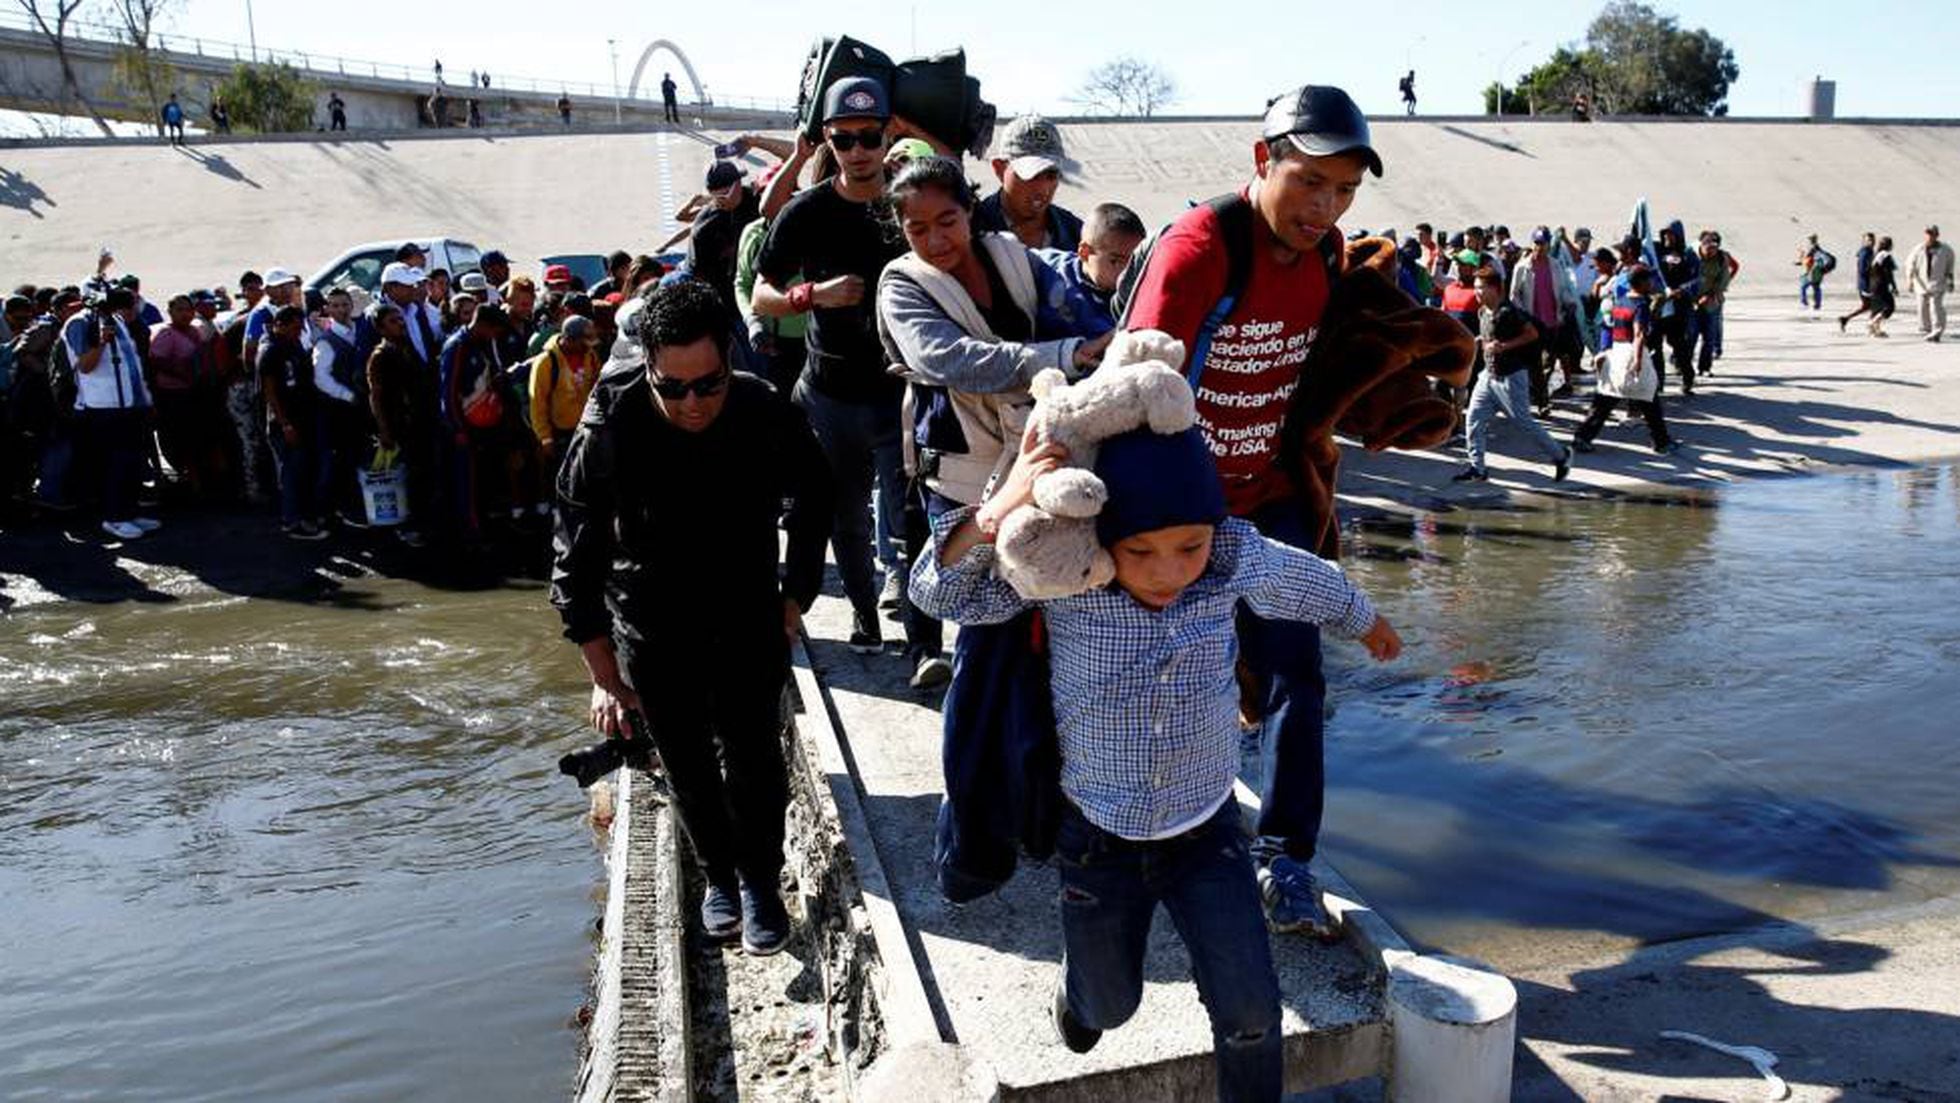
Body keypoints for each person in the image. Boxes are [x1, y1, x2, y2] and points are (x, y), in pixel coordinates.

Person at [911, 423, 1401, 1101]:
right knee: (1109, 1006)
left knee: (1253, 1015)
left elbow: (1300, 576)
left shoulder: (1229, 557)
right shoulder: (1064, 577)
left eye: (1188, 546)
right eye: (1141, 549)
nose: (1169, 570)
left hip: (1209, 833)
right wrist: (1001, 506)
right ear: (1104, 537)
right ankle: (1079, 995)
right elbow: (937, 593)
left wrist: (1363, 616)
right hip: (1098, 840)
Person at [1117, 83, 1379, 937]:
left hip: (1267, 496)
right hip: (1179, 508)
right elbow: (1134, 393)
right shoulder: (1201, 248)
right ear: (1263, 161)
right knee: (1153, 670)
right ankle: (1123, 831)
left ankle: (1285, 861)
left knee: (1299, 674)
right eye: (1309, 181)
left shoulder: (1329, 255)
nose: (1324, 207)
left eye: (1343, 190)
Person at [552, 279, 833, 957]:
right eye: (671, 388)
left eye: (707, 385)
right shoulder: (611, 424)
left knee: (754, 756)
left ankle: (763, 884)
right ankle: (720, 879)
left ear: (728, 360)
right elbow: (573, 548)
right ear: (645, 363)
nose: (692, 404)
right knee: (687, 763)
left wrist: (797, 592)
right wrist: (600, 666)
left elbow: (818, 491)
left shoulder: (763, 407)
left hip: (745, 609)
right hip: (652, 619)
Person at [877, 156, 1115, 692]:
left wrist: (1109, 343)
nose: (935, 240)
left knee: (1045, 605)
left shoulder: (1013, 257)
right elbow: (952, 359)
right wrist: (1067, 355)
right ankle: (974, 760)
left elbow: (1072, 310)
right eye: (917, 228)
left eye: (947, 222)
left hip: (1037, 457)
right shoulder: (902, 286)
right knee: (985, 627)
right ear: (901, 229)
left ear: (969, 212)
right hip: (965, 473)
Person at [755, 75, 912, 655]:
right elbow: (759, 295)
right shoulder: (806, 212)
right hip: (832, 393)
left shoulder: (910, 200)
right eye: (844, 140)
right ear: (828, 140)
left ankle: (922, 639)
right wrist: (811, 295)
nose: (858, 151)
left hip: (904, 391)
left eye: (869, 137)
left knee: (910, 515)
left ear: (888, 134)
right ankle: (866, 617)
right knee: (844, 516)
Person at [1455, 268, 1573, 483]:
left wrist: (1505, 346)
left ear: (1497, 289)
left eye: (1482, 287)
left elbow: (1532, 334)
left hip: (1511, 377)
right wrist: (1480, 340)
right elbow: (1491, 334)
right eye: (1476, 287)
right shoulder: (1483, 311)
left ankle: (1561, 455)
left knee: (1524, 423)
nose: (1477, 292)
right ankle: (1477, 468)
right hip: (1488, 377)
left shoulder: (1509, 312)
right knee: (1473, 418)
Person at [65, 288, 158, 540]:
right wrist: (102, 341)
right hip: (103, 406)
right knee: (114, 464)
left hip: (129, 405)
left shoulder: (115, 321)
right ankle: (114, 518)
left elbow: (132, 363)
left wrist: (144, 398)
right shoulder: (79, 323)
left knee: (131, 462)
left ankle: (129, 512)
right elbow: (84, 365)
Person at [1573, 264, 1676, 455]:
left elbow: (1611, 327)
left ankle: (1582, 437)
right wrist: (1637, 360)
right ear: (1642, 282)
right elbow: (1638, 335)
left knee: (1605, 399)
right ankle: (1661, 442)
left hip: (1615, 353)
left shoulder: (1620, 300)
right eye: (1649, 279)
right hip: (1631, 353)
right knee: (1648, 396)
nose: (1652, 282)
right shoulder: (1641, 306)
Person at [365, 303, 436, 546]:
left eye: (400, 319)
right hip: (399, 424)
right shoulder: (380, 355)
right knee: (405, 477)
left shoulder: (407, 347)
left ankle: (423, 521)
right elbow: (375, 394)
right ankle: (406, 526)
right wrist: (384, 429)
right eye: (393, 321)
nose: (401, 323)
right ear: (381, 328)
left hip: (419, 421)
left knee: (422, 474)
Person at [257, 305, 326, 540]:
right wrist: (285, 424)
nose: (298, 333)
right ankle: (291, 520)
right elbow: (270, 393)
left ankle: (305, 516)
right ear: (279, 326)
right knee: (292, 473)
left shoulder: (294, 346)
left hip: (304, 419)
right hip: (285, 424)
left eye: (300, 328)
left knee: (304, 470)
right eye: (294, 328)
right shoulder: (272, 352)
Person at [147, 293, 226, 496]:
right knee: (184, 442)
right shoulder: (165, 334)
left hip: (197, 394)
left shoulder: (196, 331)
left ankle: (213, 483)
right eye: (180, 310)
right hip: (174, 396)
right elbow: (155, 362)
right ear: (170, 312)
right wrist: (182, 372)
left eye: (188, 310)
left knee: (204, 439)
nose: (185, 314)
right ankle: (193, 486)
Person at [1037, 202, 1145, 338]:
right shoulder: (1049, 266)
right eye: (1115, 261)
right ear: (1085, 252)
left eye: (1134, 263)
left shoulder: (1136, 299)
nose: (1126, 271)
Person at [974, 115, 1082, 251]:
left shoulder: (1077, 234)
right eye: (1030, 175)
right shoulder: (971, 230)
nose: (1043, 188)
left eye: (1051, 175)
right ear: (999, 169)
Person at [310, 286, 369, 526]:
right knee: (338, 462)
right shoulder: (326, 341)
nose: (340, 309)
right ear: (327, 309)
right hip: (337, 411)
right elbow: (320, 378)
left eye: (344, 305)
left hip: (359, 409)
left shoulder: (359, 333)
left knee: (357, 457)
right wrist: (347, 395)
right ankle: (334, 511)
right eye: (334, 305)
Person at [1507, 226, 1578, 413]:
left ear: (1548, 244)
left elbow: (1562, 290)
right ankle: (1539, 399)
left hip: (1552, 323)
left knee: (1547, 363)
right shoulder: (1522, 267)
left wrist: (1569, 303)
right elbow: (1514, 295)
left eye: (1543, 243)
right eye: (1537, 243)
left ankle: (1541, 399)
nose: (1540, 247)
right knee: (1534, 364)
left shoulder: (1555, 265)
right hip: (1531, 324)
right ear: (1532, 244)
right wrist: (1524, 317)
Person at [529, 313, 601, 487]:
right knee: (562, 479)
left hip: (584, 428)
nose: (588, 347)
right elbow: (537, 402)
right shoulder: (546, 362)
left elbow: (598, 385)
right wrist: (545, 437)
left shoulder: (590, 356)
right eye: (583, 342)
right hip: (559, 433)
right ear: (570, 340)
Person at [1653, 221, 1701, 396]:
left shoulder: (1688, 255)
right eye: (1665, 234)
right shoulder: (1657, 251)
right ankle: (1658, 383)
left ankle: (1688, 378)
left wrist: (1682, 290)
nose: (1667, 237)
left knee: (1679, 346)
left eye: (1671, 234)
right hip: (1659, 308)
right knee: (1654, 346)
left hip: (1678, 309)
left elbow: (1697, 279)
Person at [1691, 231, 1733, 376]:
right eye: (1708, 248)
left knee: (1709, 337)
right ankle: (1684, 365)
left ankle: (1705, 367)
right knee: (1690, 336)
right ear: (1701, 246)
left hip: (1711, 304)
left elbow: (1724, 279)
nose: (1711, 252)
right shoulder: (1691, 256)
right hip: (1692, 304)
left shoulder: (1721, 258)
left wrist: (1711, 295)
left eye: (1714, 248)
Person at [1906, 225, 1955, 342]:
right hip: (1921, 283)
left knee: (1936, 307)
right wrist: (1909, 281)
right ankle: (1926, 329)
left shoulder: (1946, 250)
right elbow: (1910, 265)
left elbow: (1950, 267)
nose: (1929, 236)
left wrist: (1950, 281)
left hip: (1937, 283)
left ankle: (1937, 330)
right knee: (1922, 307)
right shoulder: (1918, 249)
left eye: (1931, 234)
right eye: (1927, 234)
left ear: (1937, 235)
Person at [1840, 232, 1878, 333]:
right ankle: (1872, 328)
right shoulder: (1865, 252)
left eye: (1873, 240)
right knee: (1875, 305)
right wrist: (1873, 272)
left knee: (1867, 306)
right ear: (1864, 241)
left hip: (1865, 283)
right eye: (1869, 240)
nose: (1872, 242)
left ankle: (1845, 319)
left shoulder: (1869, 251)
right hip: (1866, 284)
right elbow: (1862, 270)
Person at [1866, 236, 1899, 338]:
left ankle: (1875, 331)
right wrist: (1894, 287)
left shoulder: (1875, 255)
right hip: (1881, 284)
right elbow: (1888, 273)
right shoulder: (1886, 256)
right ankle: (1872, 323)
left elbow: (1868, 270)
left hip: (1872, 284)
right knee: (1890, 307)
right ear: (1890, 245)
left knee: (1876, 308)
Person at [1796, 233, 1831, 311]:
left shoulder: (1815, 250)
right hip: (1816, 272)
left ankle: (1805, 303)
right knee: (1815, 287)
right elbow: (1810, 260)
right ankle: (1817, 305)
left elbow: (1809, 260)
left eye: (1809, 240)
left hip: (1814, 272)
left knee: (1804, 287)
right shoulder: (1816, 249)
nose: (1808, 242)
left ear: (1811, 241)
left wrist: (1801, 259)